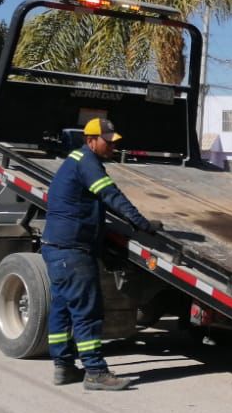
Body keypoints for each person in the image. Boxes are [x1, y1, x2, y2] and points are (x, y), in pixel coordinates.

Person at [41, 117, 163, 391]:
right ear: (90, 140)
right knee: (87, 311)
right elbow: (112, 196)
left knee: (62, 309)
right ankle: (95, 371)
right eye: (107, 142)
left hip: (57, 248)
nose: (111, 147)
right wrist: (142, 225)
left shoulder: (76, 160)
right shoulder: (87, 163)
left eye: (113, 142)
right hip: (72, 251)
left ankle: (63, 367)